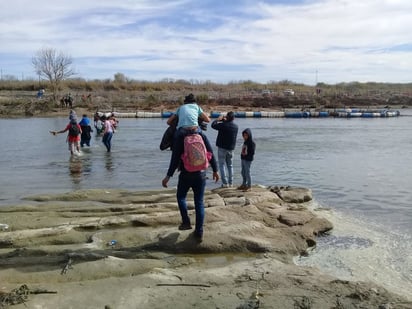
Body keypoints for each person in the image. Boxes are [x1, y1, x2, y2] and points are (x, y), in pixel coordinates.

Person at [162, 129, 219, 242]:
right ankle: (199, 231)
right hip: (201, 173)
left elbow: (175, 158)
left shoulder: (180, 136)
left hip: (186, 173)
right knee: (199, 202)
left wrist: (168, 176)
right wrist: (215, 170)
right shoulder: (201, 134)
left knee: (181, 197)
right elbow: (210, 152)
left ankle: (186, 222)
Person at [211, 111, 238, 187]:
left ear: (227, 117)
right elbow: (228, 124)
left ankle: (225, 183)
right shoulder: (236, 127)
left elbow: (213, 125)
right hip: (231, 149)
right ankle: (231, 183)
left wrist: (218, 119)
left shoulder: (223, 125)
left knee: (222, 165)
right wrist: (224, 120)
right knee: (230, 165)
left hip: (222, 148)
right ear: (234, 118)